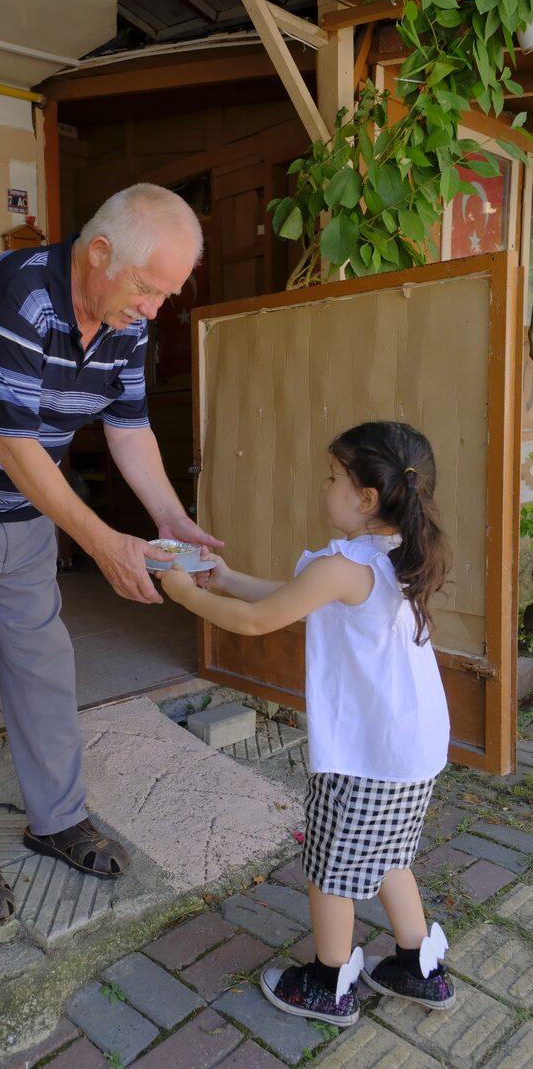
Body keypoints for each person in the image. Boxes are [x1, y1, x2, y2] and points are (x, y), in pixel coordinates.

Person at [0, 183, 222, 927]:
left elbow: (128, 427)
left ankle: (56, 817)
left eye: (167, 294)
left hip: (20, 513)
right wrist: (103, 543)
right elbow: (15, 446)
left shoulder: (124, 317)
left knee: (43, 669)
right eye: (150, 289)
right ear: (98, 254)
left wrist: (170, 518)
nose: (155, 309)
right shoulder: (18, 299)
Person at [160, 421, 455, 1027]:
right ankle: (414, 965)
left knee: (330, 870)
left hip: (363, 756)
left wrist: (183, 594)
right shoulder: (398, 555)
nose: (325, 487)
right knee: (390, 855)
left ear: (365, 498)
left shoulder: (344, 565)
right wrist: (227, 579)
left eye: (332, 477)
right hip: (413, 748)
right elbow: (296, 597)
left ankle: (328, 982)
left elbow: (256, 622)